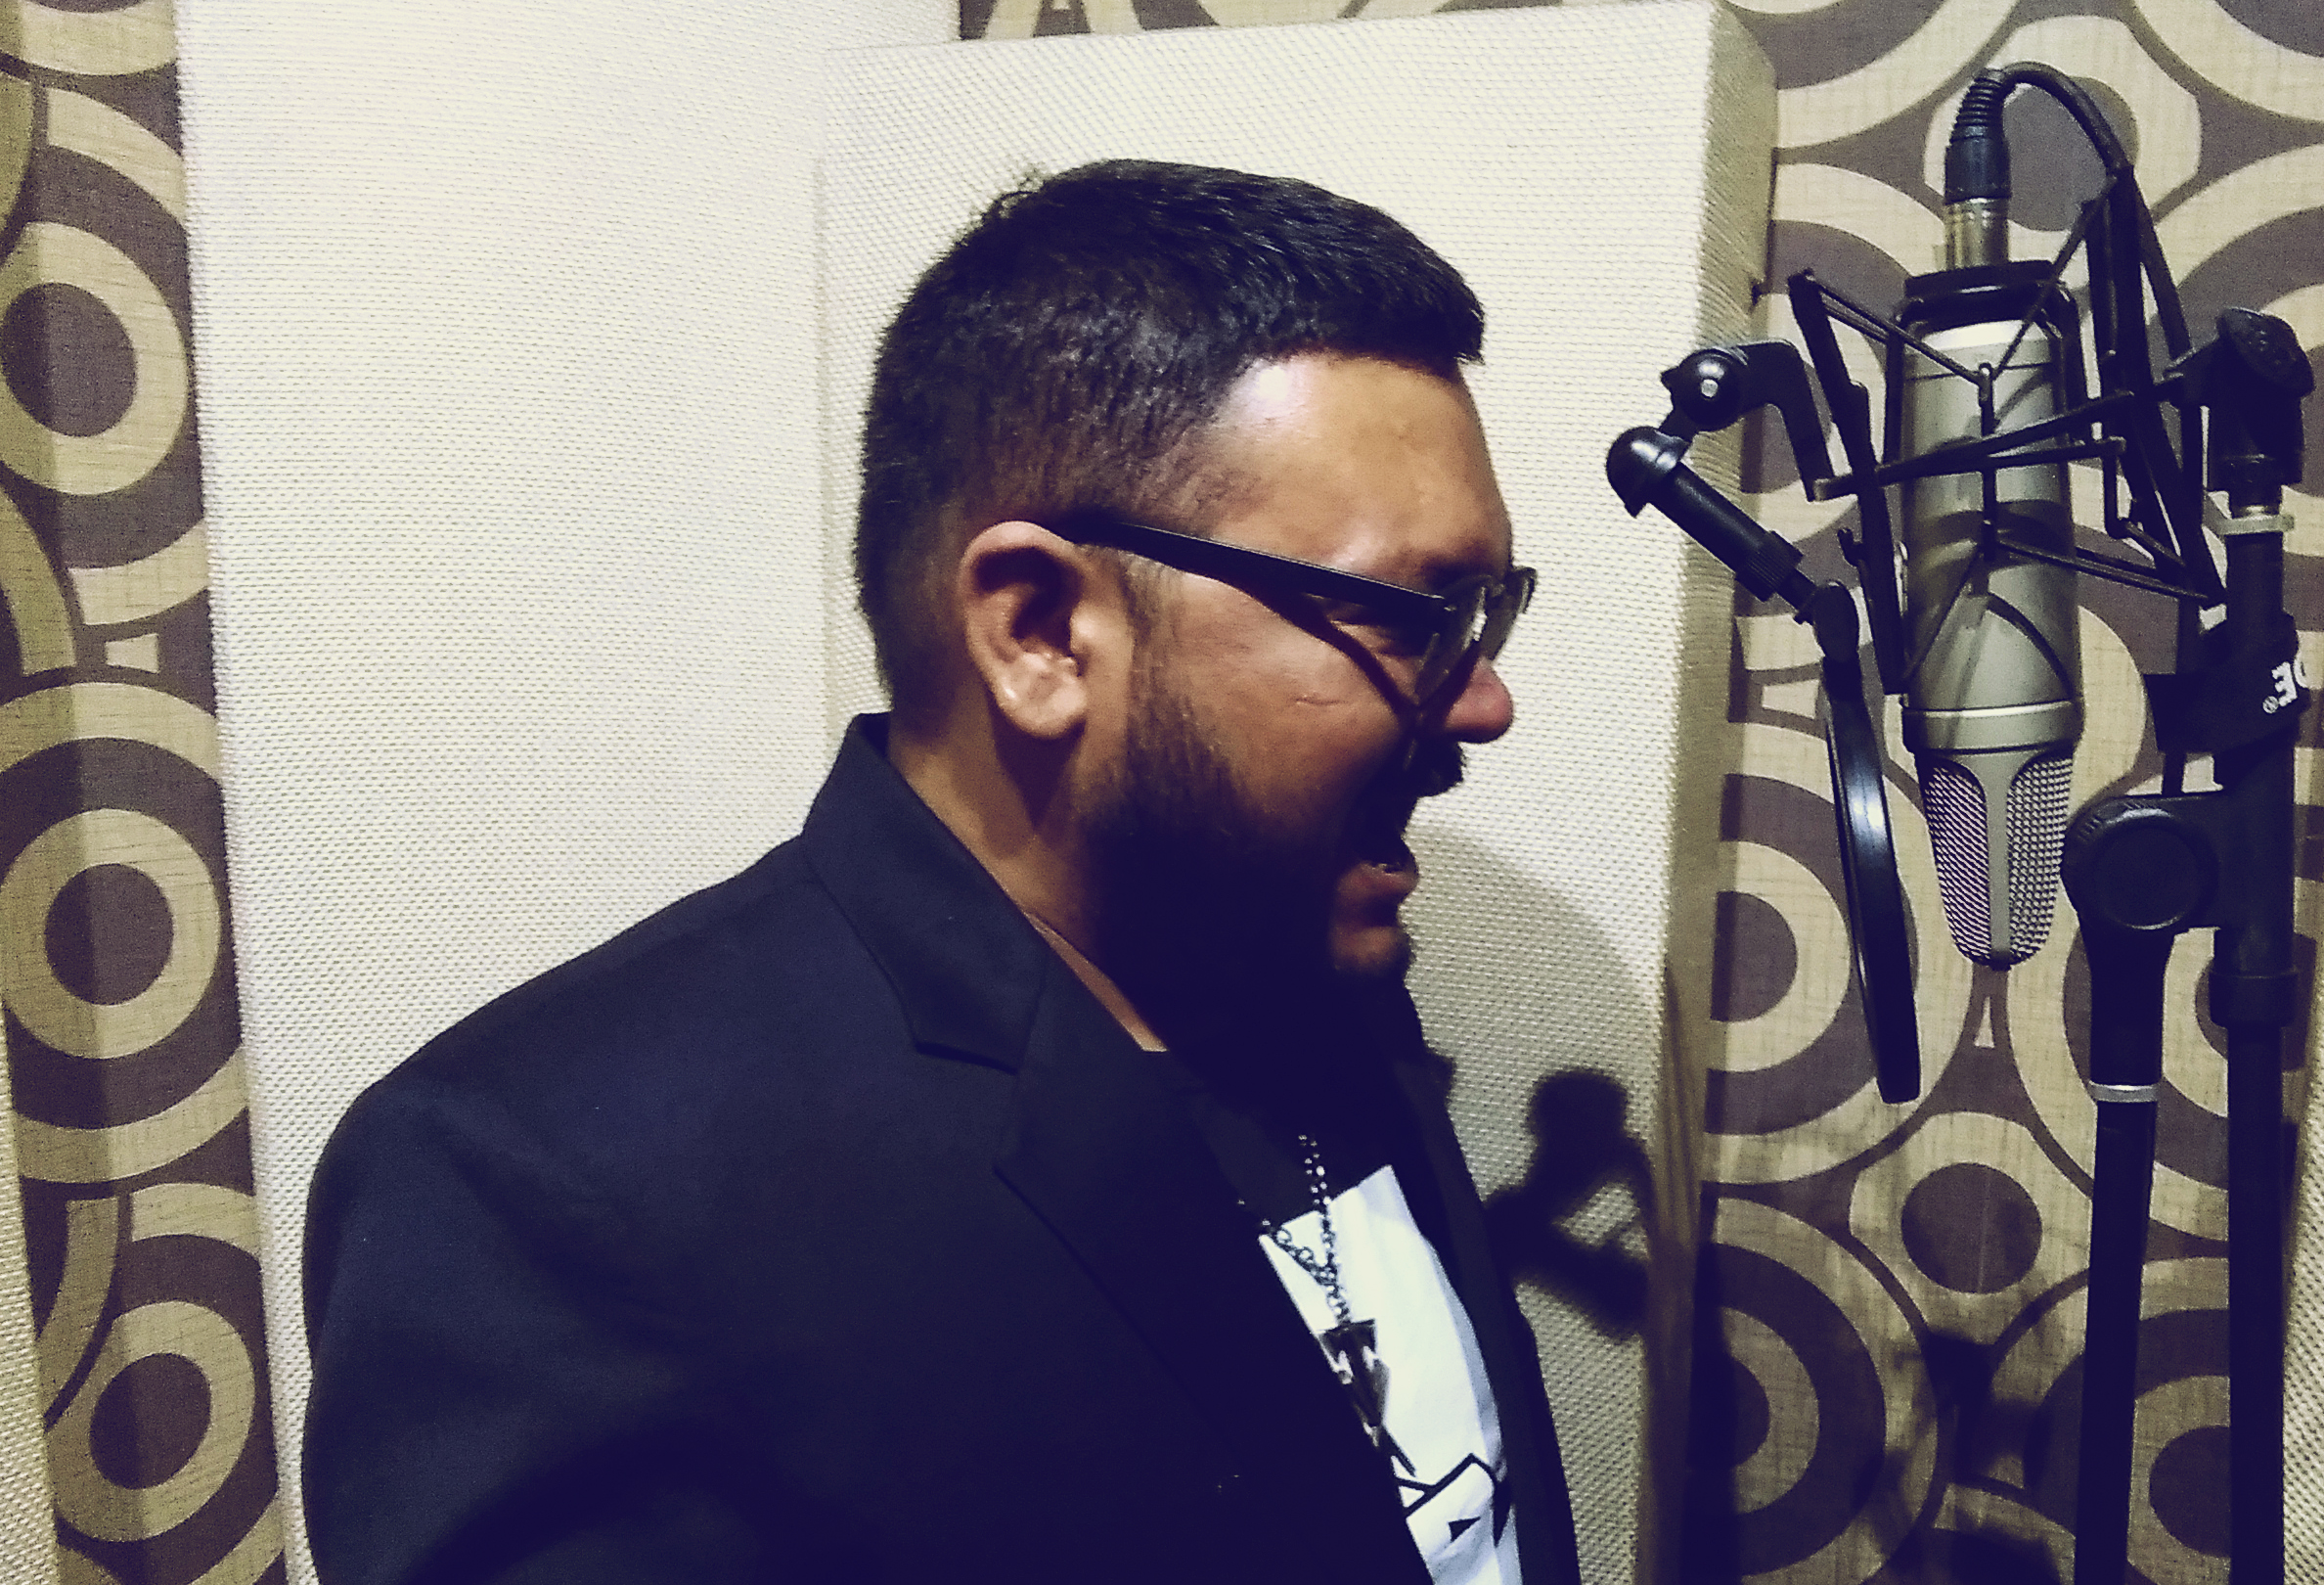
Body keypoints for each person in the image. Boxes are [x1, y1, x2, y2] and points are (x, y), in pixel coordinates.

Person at [302, 159, 1581, 1585]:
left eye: (1487, 613)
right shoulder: (546, 1190)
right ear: (1038, 631)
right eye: (1412, 614)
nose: (1485, 702)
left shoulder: (1295, 965)